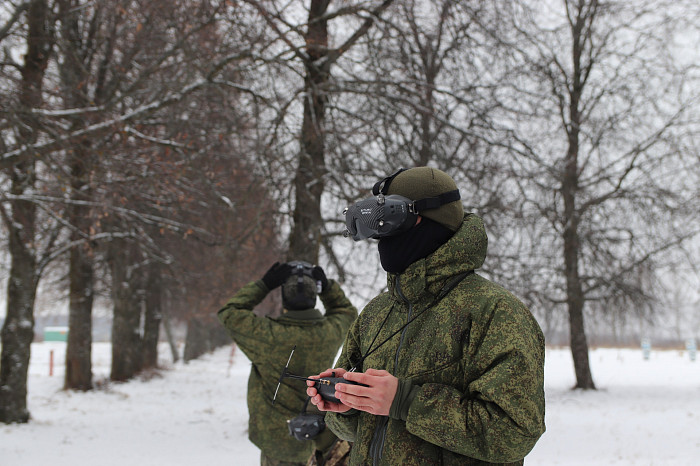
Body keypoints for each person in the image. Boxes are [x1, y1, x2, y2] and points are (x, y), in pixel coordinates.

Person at [306, 167, 546, 465]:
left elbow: (514, 434)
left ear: (432, 221)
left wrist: (406, 401)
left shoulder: (495, 311)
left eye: (391, 221)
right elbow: (361, 433)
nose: (384, 238)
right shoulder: (376, 313)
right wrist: (348, 404)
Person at [218, 260, 358, 466]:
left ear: (284, 298)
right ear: (313, 298)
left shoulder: (266, 335)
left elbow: (230, 313)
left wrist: (265, 284)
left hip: (277, 443)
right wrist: (327, 287)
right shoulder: (329, 333)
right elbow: (346, 311)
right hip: (319, 439)